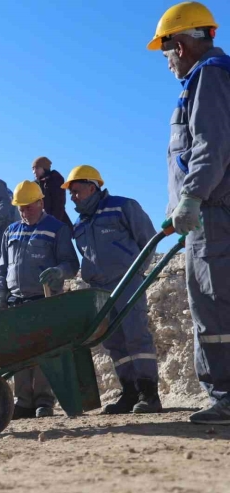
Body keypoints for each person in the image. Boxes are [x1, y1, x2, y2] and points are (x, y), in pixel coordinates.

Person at [147, 2, 230, 424]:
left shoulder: (209, 76)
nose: (166, 64)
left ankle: (226, 396)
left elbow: (210, 147)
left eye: (165, 54)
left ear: (179, 44)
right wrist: (177, 207)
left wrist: (193, 198)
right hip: (207, 211)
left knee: (215, 307)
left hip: (214, 214)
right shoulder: (209, 77)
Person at [63, 165, 162, 414]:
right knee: (115, 343)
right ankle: (129, 392)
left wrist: (138, 273)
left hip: (127, 283)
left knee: (136, 335)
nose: (72, 197)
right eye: (70, 193)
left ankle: (149, 394)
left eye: (76, 191)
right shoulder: (79, 224)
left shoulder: (123, 207)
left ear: (92, 186)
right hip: (100, 290)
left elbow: (148, 239)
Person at [0, 181, 79, 419]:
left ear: (40, 203)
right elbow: (2, 269)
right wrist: (1, 295)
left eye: (29, 207)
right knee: (20, 353)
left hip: (45, 300)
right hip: (16, 301)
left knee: (44, 354)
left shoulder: (57, 228)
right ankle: (23, 402)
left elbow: (72, 264)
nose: (24, 212)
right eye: (20, 207)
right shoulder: (11, 231)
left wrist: (59, 272)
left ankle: (44, 401)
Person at [31, 156, 73, 230]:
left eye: (37, 168)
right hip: (41, 222)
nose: (34, 172)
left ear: (44, 168)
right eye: (33, 169)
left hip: (56, 221)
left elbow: (59, 204)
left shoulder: (55, 179)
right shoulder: (35, 185)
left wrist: (54, 224)